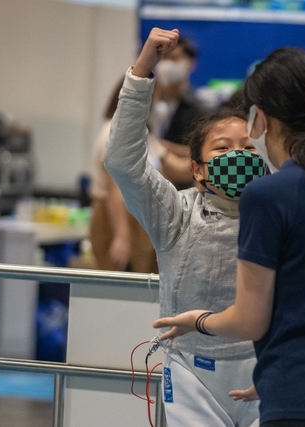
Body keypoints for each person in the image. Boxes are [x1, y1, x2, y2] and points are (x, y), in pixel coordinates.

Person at [154, 47, 305, 427]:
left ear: (261, 117)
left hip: (293, 400)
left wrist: (199, 320)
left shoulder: (267, 196)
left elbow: (250, 321)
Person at [105, 28, 263, 427]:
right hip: (193, 371)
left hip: (264, 366)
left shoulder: (279, 214)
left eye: (248, 147)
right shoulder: (175, 213)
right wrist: (142, 71)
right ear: (197, 169)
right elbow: (123, 161)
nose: (238, 156)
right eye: (223, 148)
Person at [89, 81, 162, 273]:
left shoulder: (139, 132)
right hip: (116, 217)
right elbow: (114, 186)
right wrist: (122, 235)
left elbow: (168, 160)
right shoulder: (114, 132)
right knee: (118, 280)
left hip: (138, 217)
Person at [148, 34, 209, 190]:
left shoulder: (199, 109)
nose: (167, 64)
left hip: (181, 187)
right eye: (164, 58)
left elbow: (203, 151)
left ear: (190, 63)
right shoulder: (147, 102)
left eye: (174, 58)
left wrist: (164, 147)